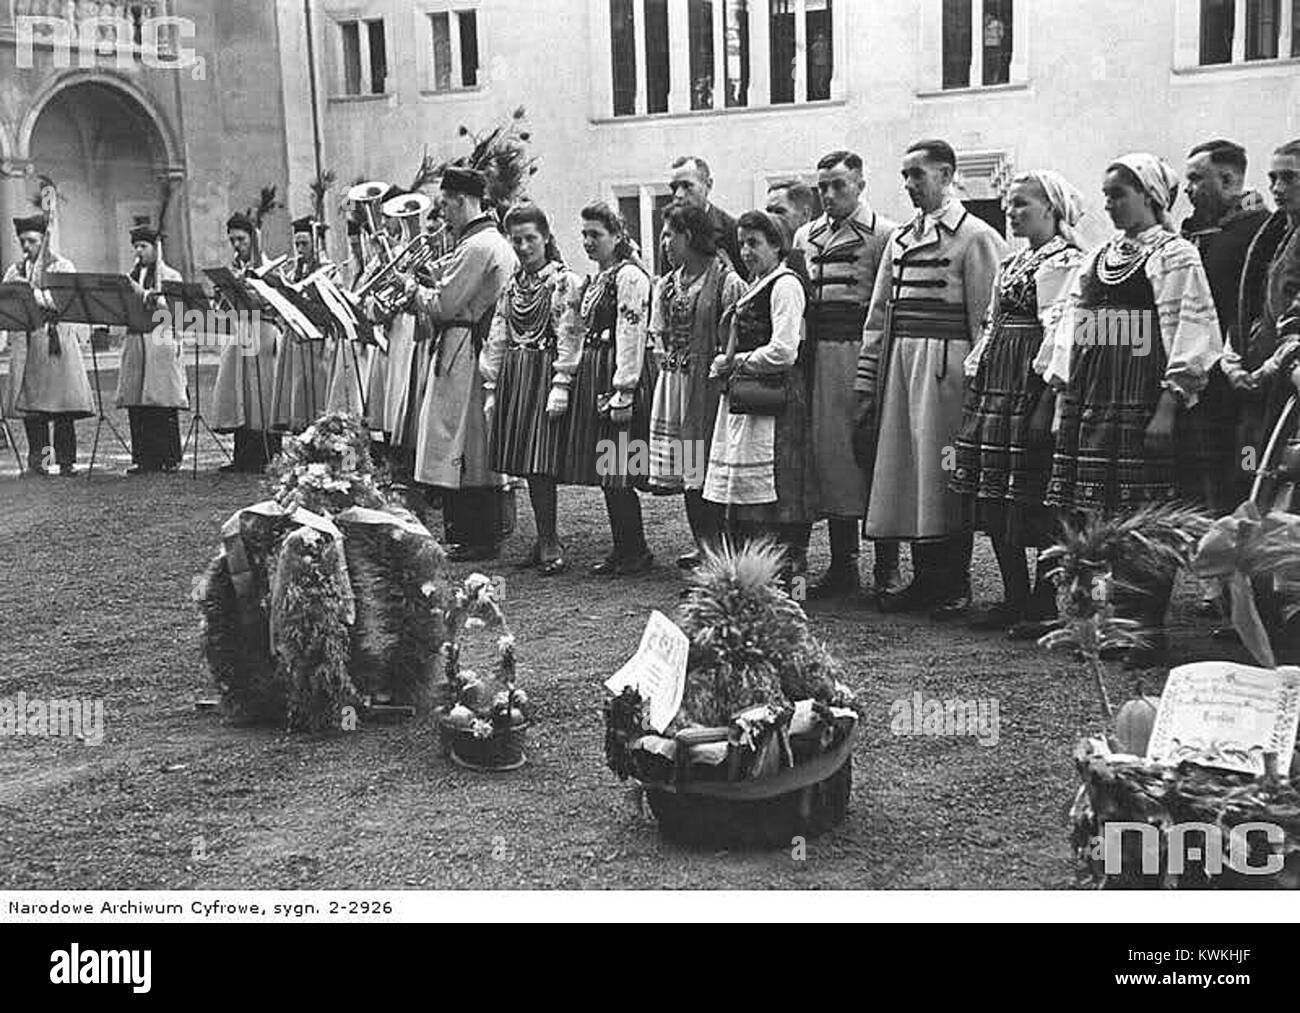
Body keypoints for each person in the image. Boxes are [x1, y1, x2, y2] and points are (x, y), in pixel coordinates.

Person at [1038, 153, 1223, 663]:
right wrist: (1062, 398)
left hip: (1140, 395)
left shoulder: (1176, 255)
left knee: (1143, 515)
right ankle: (1098, 627)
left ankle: (1145, 631)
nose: (1109, 204)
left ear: (1150, 197)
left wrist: (1169, 404)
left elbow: (1192, 332)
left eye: (1118, 194)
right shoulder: (1097, 257)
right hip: (1093, 397)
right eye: (1106, 195)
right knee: (1092, 513)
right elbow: (1070, 332)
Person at [855, 139, 1008, 619]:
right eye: (904, 176)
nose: (908, 185)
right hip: (901, 368)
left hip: (949, 372)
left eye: (916, 175)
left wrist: (980, 385)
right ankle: (924, 580)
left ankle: (953, 583)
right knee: (909, 474)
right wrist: (866, 379)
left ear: (945, 175)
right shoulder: (899, 240)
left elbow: (988, 320)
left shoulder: (977, 236)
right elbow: (879, 314)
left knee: (944, 474)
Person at [952, 171, 1084, 636]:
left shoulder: (1067, 263)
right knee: (992, 488)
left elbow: (1062, 335)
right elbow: (990, 323)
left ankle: (1045, 602)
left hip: (1032, 383)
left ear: (1051, 209)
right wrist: (978, 371)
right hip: (997, 383)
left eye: (1022, 204)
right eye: (1009, 204)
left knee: (1039, 491)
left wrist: (1048, 400)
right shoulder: (1013, 261)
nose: (1012, 212)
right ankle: (1014, 596)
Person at [795, 150, 899, 603]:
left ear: (860, 184)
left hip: (859, 352)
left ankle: (887, 567)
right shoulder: (805, 234)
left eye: (839, 185)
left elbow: (885, 310)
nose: (830, 194)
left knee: (869, 457)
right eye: (823, 187)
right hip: (818, 355)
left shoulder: (885, 234)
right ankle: (844, 565)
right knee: (829, 460)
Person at [409, 167, 518, 561]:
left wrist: (413, 290)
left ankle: (475, 536)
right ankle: (477, 532)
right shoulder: (490, 241)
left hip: (465, 348)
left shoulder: (477, 246)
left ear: (460, 200)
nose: (445, 214)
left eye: (446, 205)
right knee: (471, 441)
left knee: (462, 440)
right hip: (472, 344)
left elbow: (444, 305)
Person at [704, 209, 817, 574]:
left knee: (780, 499)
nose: (747, 251)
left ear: (777, 245)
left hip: (777, 400)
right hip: (751, 397)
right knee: (750, 501)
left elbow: (785, 350)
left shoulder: (786, 285)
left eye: (754, 243)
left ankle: (791, 591)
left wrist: (734, 361)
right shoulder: (759, 283)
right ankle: (753, 583)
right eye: (742, 244)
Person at [481, 204, 582, 576]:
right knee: (524, 461)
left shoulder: (561, 282)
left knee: (541, 464)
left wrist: (562, 382)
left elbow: (570, 332)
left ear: (546, 239)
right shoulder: (514, 283)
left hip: (544, 372)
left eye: (530, 239)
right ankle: (542, 537)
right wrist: (491, 383)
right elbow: (499, 330)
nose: (523, 247)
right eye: (517, 240)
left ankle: (552, 540)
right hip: (516, 372)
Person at [647, 203, 747, 567]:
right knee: (691, 474)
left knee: (712, 472)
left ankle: (722, 551)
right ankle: (704, 547)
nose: (664, 242)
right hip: (676, 384)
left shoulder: (726, 280)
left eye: (669, 234)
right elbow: (658, 332)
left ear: (688, 236)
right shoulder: (668, 283)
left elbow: (740, 334)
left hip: (710, 389)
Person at [561, 202, 657, 575]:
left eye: (595, 235)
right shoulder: (600, 277)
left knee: (620, 463)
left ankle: (635, 549)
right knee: (609, 468)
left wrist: (625, 389)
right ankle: (626, 546)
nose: (587, 241)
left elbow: (631, 332)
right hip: (597, 368)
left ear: (617, 236)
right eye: (584, 234)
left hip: (621, 369)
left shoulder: (629, 277)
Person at [1181, 140, 1271, 517]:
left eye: (1196, 179)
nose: (1187, 189)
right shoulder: (1197, 233)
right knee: (1208, 479)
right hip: (1207, 387)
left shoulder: (1260, 231)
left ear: (1230, 179)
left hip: (1246, 385)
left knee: (1249, 471)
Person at [1228, 139, 1300, 492]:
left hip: (1289, 385)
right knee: (1249, 464)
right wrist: (1233, 363)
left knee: (1281, 480)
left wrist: (1268, 369)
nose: (1277, 188)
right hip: (1253, 384)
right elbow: (1245, 303)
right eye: (1273, 178)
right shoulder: (1269, 235)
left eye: (1290, 178)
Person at [1, 213, 93, 476]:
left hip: (56, 341)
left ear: (44, 240)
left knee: (62, 406)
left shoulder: (62, 266)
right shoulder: (14, 271)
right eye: (22, 242)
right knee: (34, 408)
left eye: (31, 241)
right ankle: (40, 462)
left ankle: (66, 461)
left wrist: (33, 295)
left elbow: (67, 302)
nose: (26, 247)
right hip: (28, 344)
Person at [211, 212, 282, 473]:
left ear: (253, 238)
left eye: (241, 239)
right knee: (241, 393)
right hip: (241, 330)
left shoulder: (269, 266)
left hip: (263, 330)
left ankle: (268, 454)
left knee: (262, 395)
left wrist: (252, 287)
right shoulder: (234, 267)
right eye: (232, 241)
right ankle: (243, 456)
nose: (237, 245)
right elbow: (225, 309)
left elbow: (277, 303)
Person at [116, 225, 186, 474]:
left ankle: (169, 456)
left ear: (155, 248)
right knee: (137, 399)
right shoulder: (132, 275)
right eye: (136, 246)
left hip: (160, 338)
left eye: (143, 246)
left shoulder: (171, 276)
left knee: (161, 398)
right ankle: (144, 457)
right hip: (137, 338)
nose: (139, 251)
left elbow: (175, 308)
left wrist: (147, 296)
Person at [270, 216, 331, 434]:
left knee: (315, 394)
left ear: (316, 245)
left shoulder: (327, 270)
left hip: (317, 340)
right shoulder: (296, 270)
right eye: (297, 244)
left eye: (304, 244)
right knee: (296, 392)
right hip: (295, 339)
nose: (299, 250)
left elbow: (327, 311)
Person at [669, 155, 748, 281]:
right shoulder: (671, 232)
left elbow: (744, 284)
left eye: (687, 186)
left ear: (708, 185)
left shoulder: (730, 228)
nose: (678, 194)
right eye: (674, 188)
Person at [766, 180, 818, 279]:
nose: (771, 218)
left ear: (805, 214)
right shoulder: (764, 258)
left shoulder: (816, 256)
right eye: (768, 211)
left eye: (779, 212)